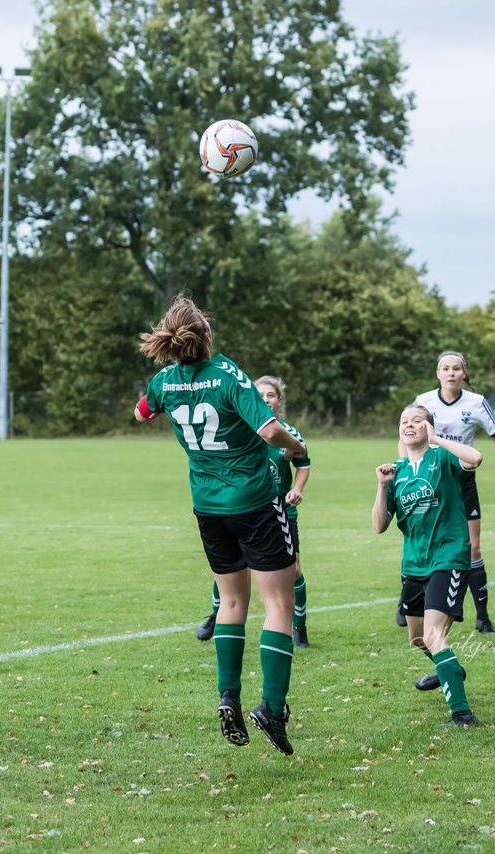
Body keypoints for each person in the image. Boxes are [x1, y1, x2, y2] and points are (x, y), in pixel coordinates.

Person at [134, 296, 309, 754]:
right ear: (206, 336)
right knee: (278, 605)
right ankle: (272, 707)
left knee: (231, 601)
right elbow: (270, 431)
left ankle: (228, 695)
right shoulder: (229, 374)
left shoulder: (165, 381)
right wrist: (293, 448)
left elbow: (140, 413)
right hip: (252, 500)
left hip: (207, 505)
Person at [393, 352, 495, 634]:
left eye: (456, 368)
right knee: (420, 538)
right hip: (428, 478)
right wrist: (404, 469)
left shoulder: (476, 402)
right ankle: (407, 599)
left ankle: (482, 615)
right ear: (437, 373)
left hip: (460, 478)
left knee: (473, 547)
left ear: (464, 374)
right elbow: (405, 439)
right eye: (445, 368)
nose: (451, 373)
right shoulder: (424, 401)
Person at [373, 404, 483, 726]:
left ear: (429, 428)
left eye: (417, 420)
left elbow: (475, 459)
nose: (409, 425)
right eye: (404, 421)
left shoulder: (443, 458)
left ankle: (462, 713)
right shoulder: (396, 471)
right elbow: (379, 526)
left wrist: (438, 440)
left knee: (435, 636)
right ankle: (451, 669)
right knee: (418, 639)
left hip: (448, 557)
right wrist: (381, 487)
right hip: (414, 563)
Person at [196, 375, 313, 647]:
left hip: (278, 511)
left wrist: (297, 488)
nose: (265, 399)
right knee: (232, 568)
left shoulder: (285, 433)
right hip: (241, 508)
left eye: (270, 395)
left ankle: (300, 627)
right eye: (259, 395)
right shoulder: (237, 429)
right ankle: (216, 616)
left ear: (278, 401)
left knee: (293, 570)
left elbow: (304, 461)